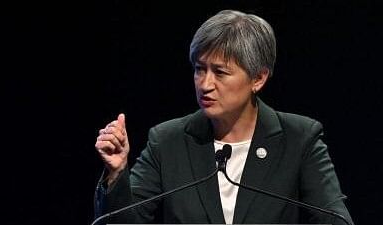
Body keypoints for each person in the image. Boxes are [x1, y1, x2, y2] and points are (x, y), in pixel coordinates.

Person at [94, 9, 354, 224]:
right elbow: (123, 221)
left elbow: (334, 219)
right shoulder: (167, 141)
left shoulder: (299, 140)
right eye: (199, 69)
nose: (205, 84)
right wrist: (117, 173)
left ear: (258, 78)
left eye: (220, 72)